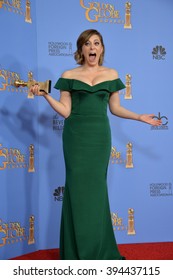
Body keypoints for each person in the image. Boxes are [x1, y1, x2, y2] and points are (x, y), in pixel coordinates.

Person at [31, 29, 161, 260]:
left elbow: (115, 108)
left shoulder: (111, 74)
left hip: (99, 138)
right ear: (81, 49)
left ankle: (99, 250)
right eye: (87, 44)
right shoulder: (69, 74)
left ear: (102, 48)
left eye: (97, 43)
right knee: (77, 190)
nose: (92, 47)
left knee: (97, 191)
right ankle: (75, 251)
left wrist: (139, 116)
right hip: (75, 138)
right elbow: (66, 111)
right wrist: (45, 95)